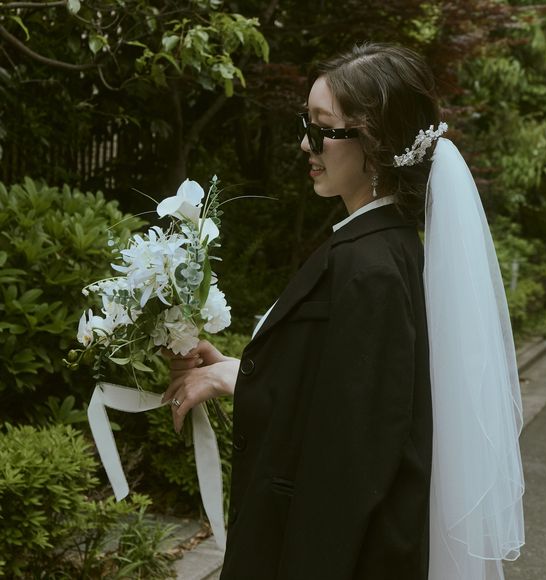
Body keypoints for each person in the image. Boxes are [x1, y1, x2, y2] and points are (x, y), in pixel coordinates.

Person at [162, 43, 524, 580]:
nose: (305, 144)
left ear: (376, 142)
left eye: (323, 129)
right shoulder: (384, 245)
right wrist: (238, 372)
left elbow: (351, 452)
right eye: (305, 125)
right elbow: (341, 389)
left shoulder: (369, 266)